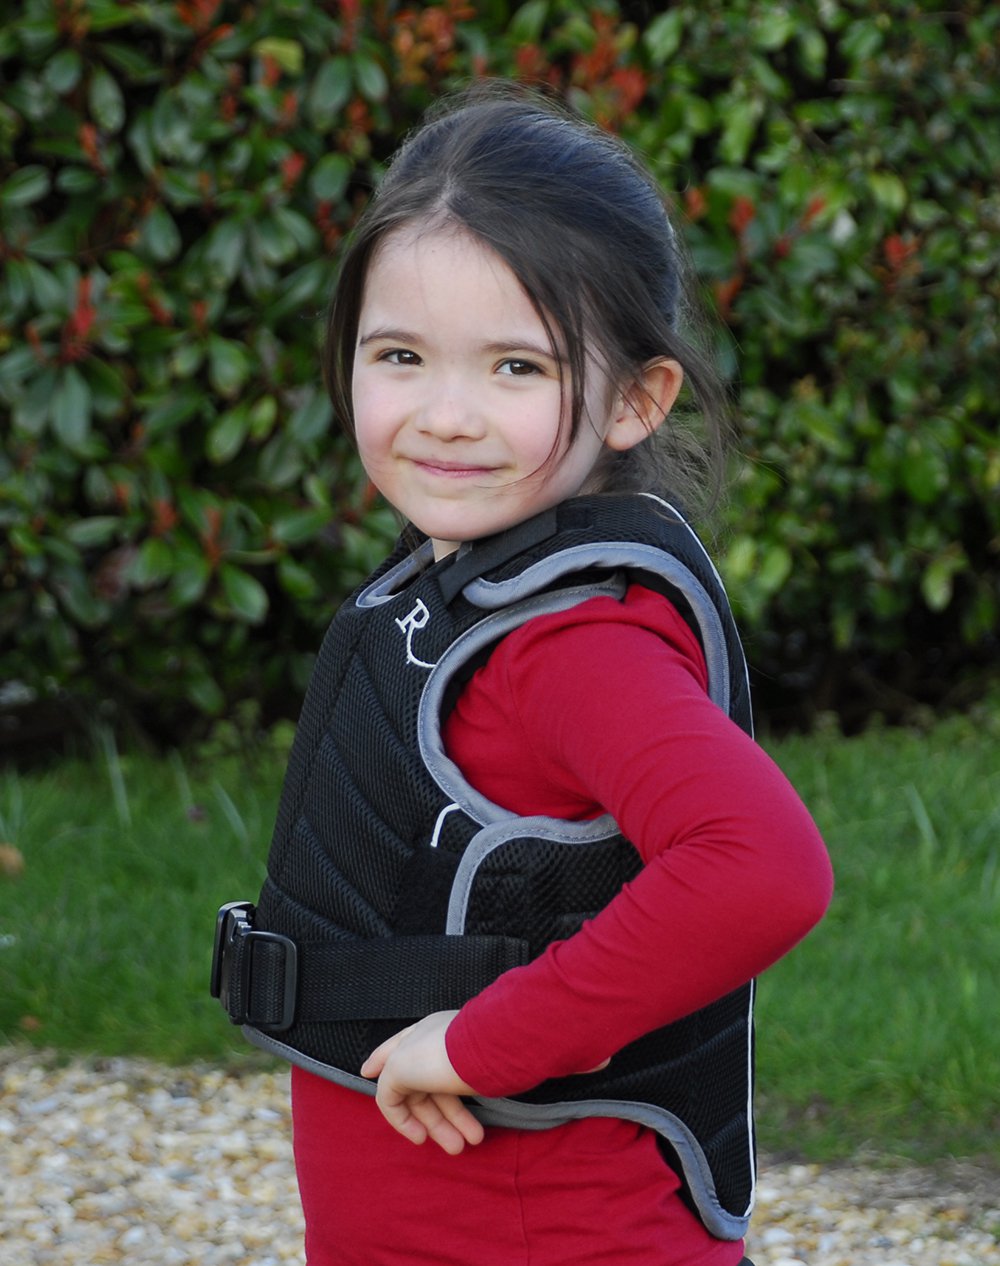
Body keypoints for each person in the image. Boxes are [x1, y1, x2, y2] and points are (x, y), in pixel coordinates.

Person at [211, 84, 833, 1266]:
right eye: (401, 356)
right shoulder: (458, 587)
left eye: (515, 367)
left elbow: (763, 868)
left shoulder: (569, 643)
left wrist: (486, 1040)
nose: (446, 415)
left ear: (635, 399)